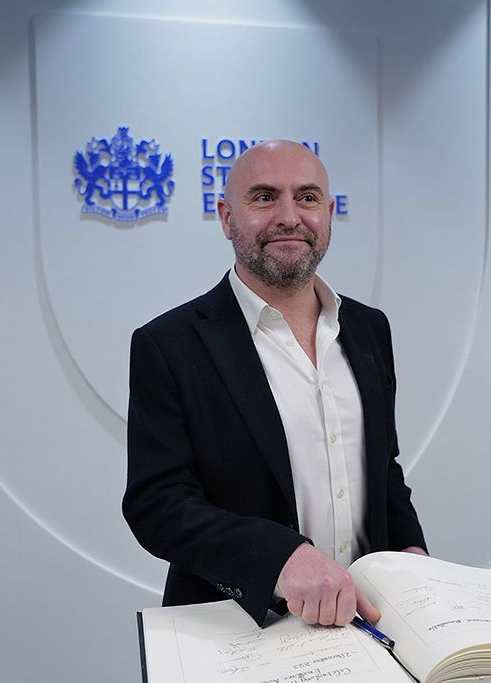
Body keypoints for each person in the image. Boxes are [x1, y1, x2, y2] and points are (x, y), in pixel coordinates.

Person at [123, 140, 426, 629]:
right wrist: (280, 559)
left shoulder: (370, 328)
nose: (289, 217)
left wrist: (411, 553)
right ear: (226, 218)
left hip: (366, 624)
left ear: (329, 213)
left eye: (307, 198)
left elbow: (382, 467)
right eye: (264, 197)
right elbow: (157, 504)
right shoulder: (169, 344)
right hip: (238, 631)